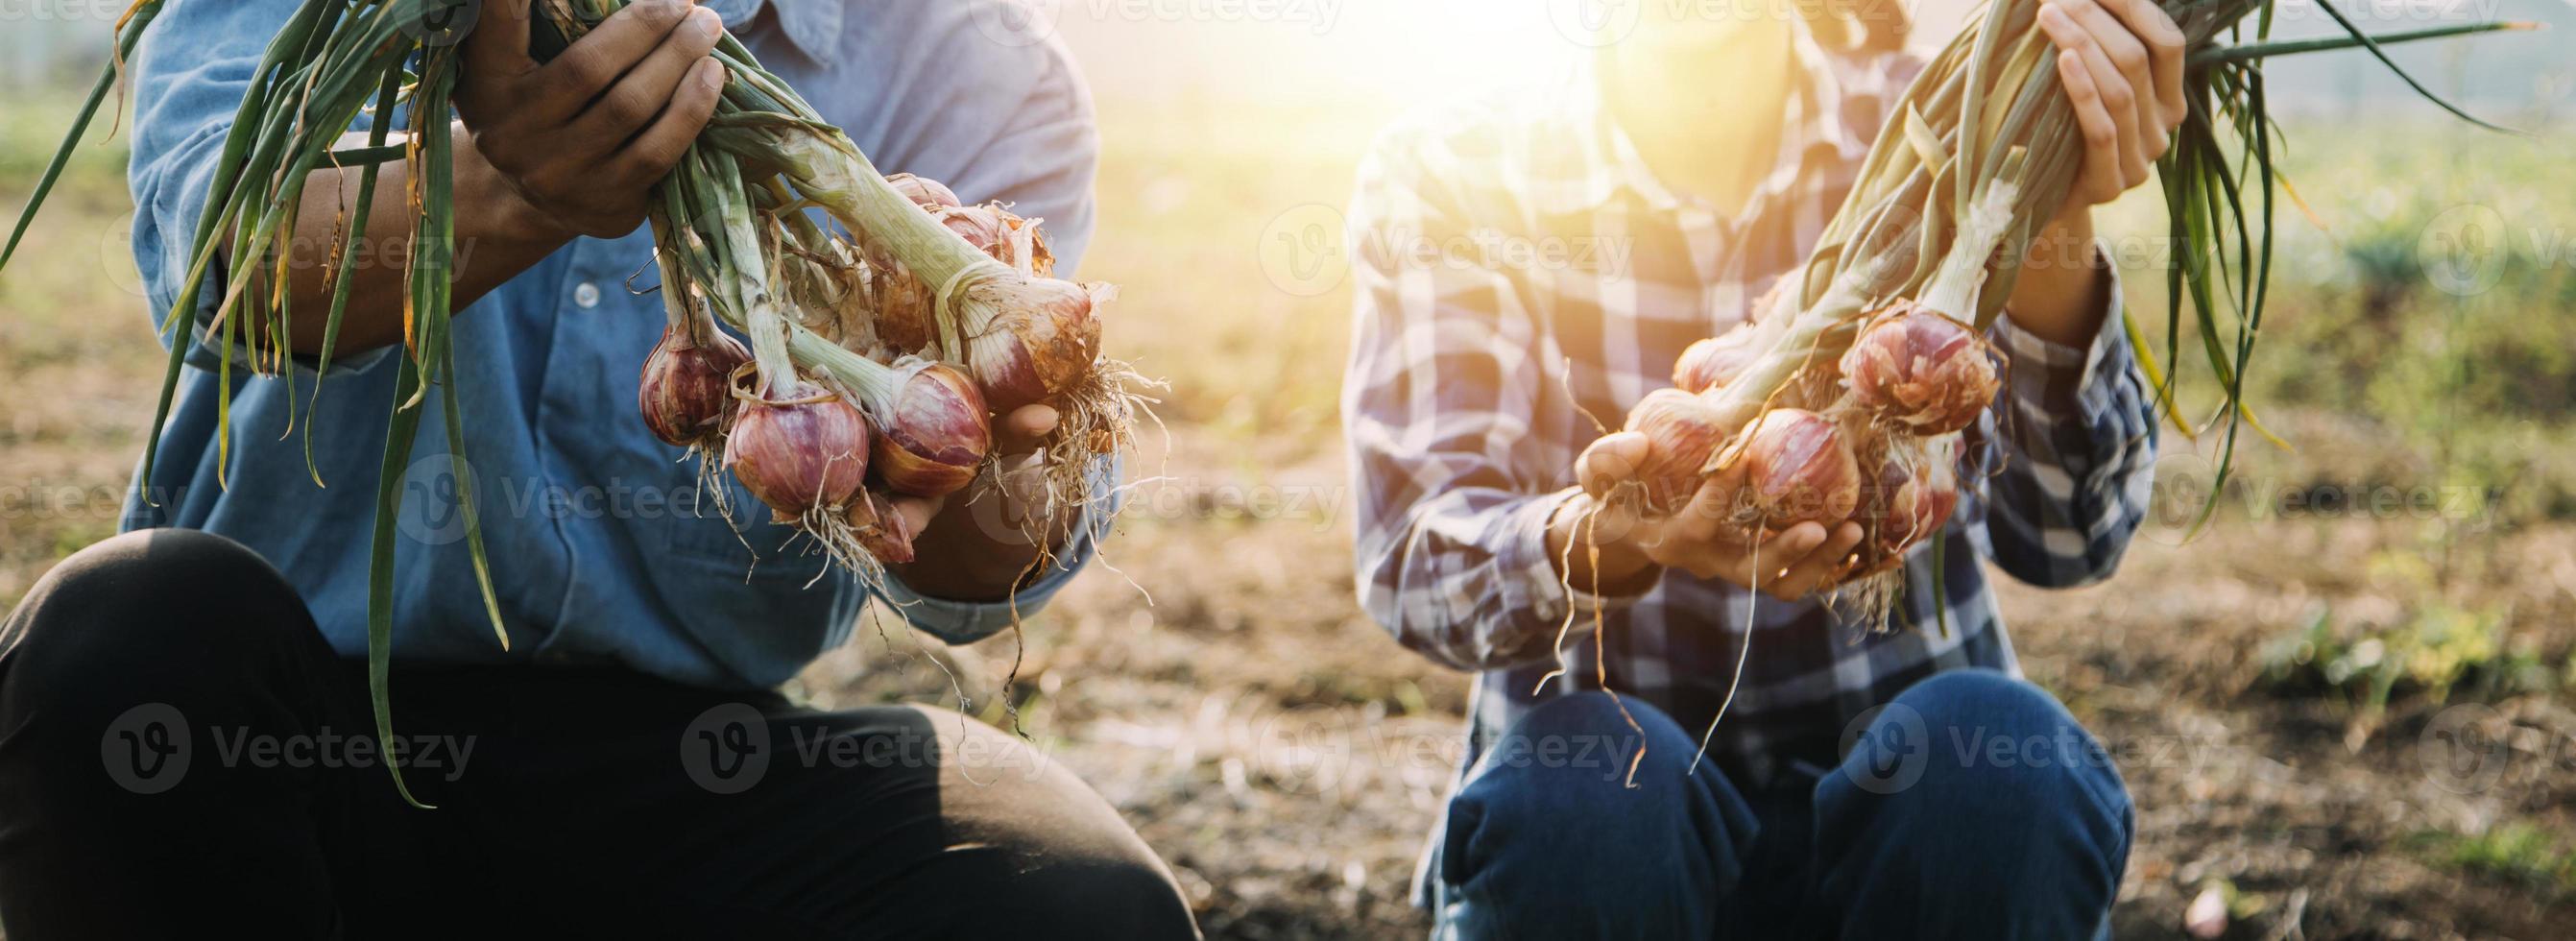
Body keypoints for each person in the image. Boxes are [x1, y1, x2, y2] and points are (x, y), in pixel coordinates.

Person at [0, 1, 1199, 936]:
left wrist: (984, 445)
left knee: (1075, 905)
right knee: (121, 644)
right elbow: (227, 257)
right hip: (287, 734)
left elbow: (984, 562)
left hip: (691, 768)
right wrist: (513, 189)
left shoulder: (983, 62)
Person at [1345, 0, 2181, 936]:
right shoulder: (1457, 171)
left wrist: (2043, 232)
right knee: (1584, 791)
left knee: (2002, 759)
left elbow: (2071, 540)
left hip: (1920, 840)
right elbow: (1416, 563)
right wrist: (1606, 540)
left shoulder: (1954, 118)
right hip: (1606, 860)